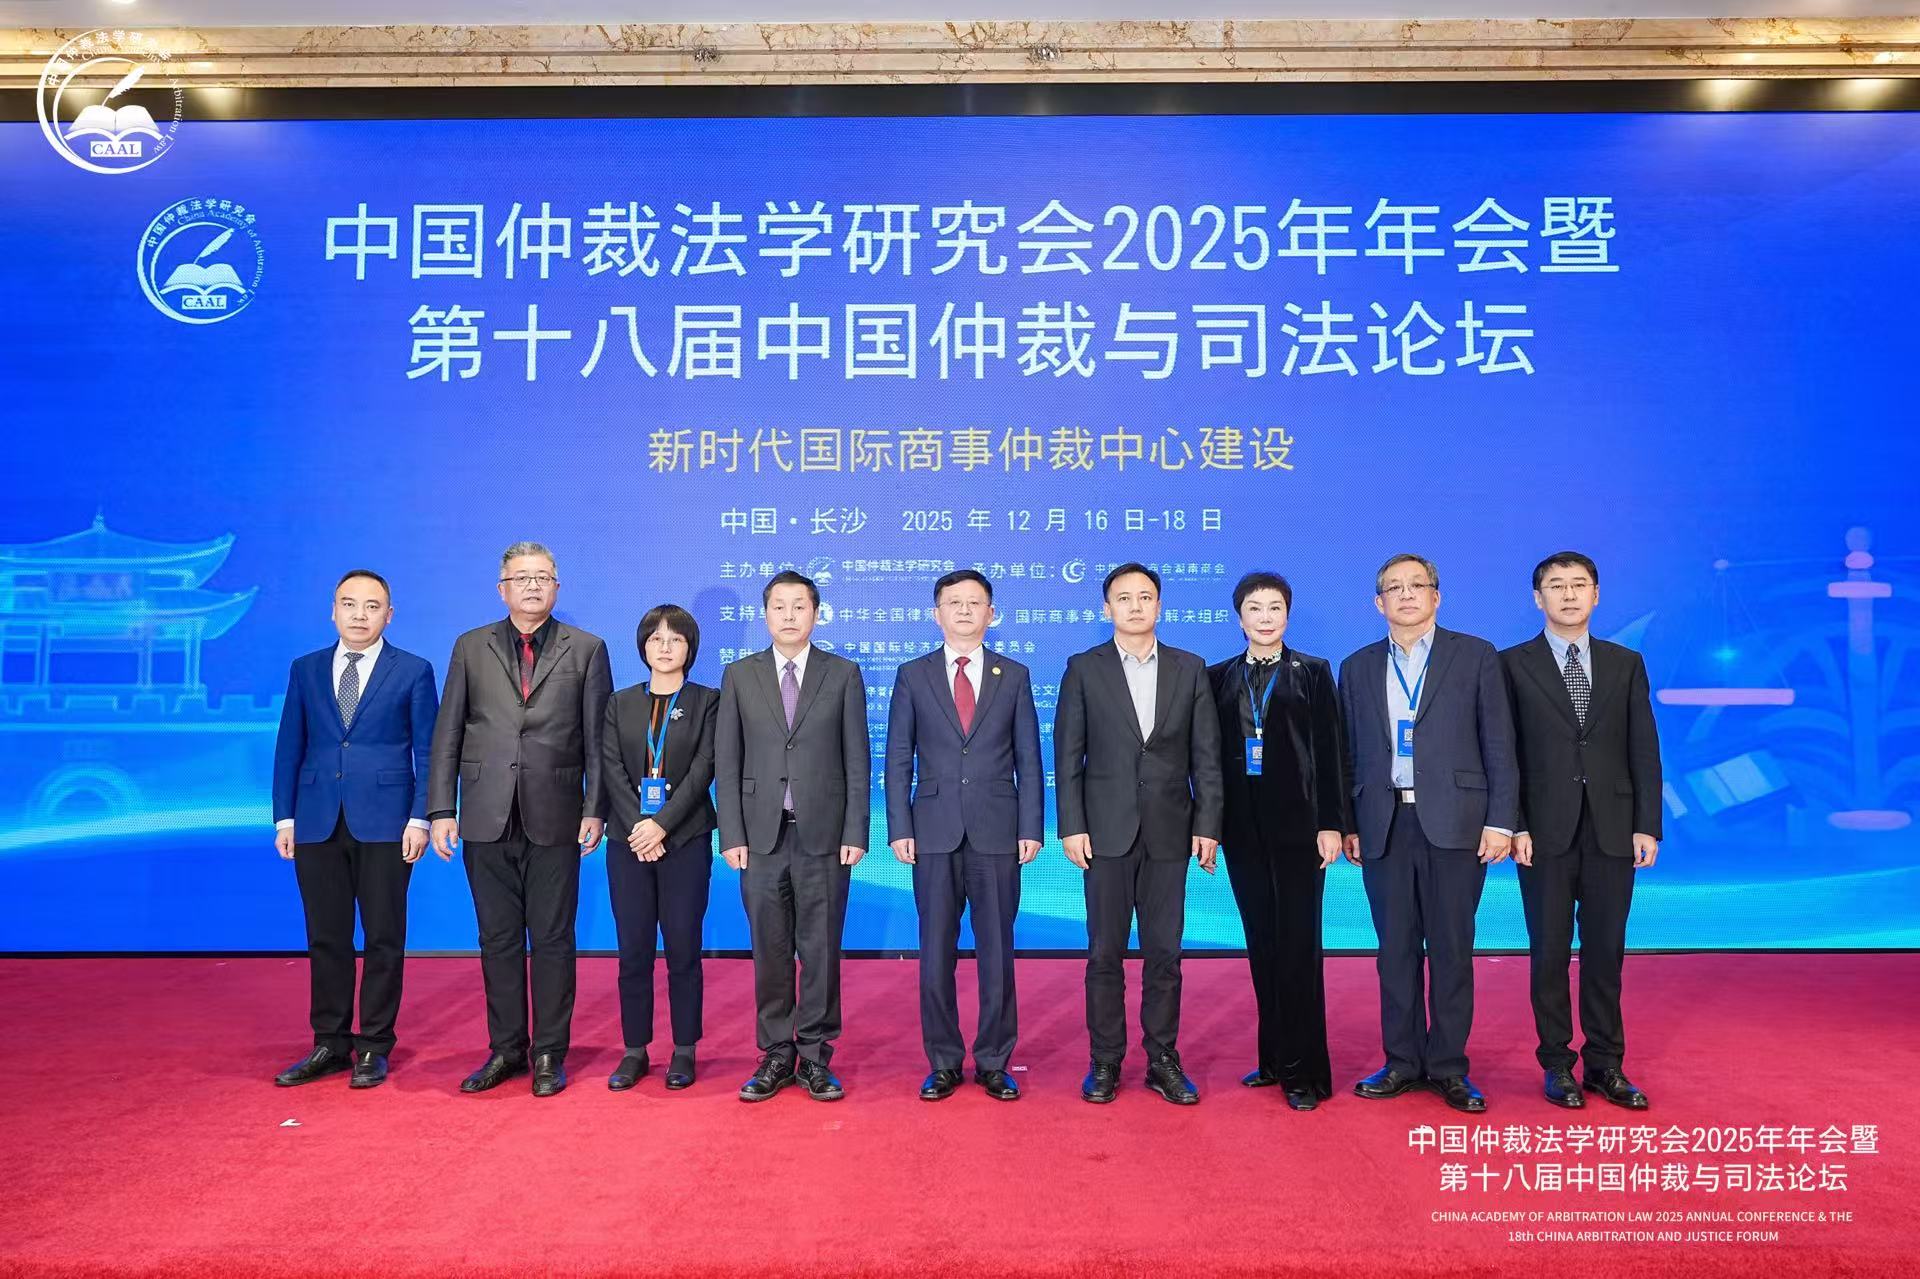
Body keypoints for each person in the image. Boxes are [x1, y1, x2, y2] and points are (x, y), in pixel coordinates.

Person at [427, 542, 612, 1098]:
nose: (533, 586)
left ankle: (550, 1051)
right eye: (522, 577)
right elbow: (448, 732)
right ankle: (506, 1049)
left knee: (553, 938)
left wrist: (595, 808)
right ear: (501, 588)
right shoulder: (470, 646)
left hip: (557, 814)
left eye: (543, 577)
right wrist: (441, 808)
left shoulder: (587, 649)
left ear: (557, 587)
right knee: (497, 938)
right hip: (485, 814)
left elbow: (599, 740)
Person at [1340, 553, 1518, 1114]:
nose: (1406, 595)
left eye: (1417, 585)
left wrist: (1501, 821)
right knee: (1394, 951)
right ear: (1378, 603)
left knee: (1451, 949)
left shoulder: (1476, 655)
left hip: (1458, 824)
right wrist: (1349, 823)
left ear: (1436, 596)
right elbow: (1348, 752)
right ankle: (1401, 1061)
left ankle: (1448, 1067)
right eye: (1394, 587)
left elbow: (1499, 743)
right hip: (1385, 824)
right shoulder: (1357, 666)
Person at [1055, 562, 1224, 1105]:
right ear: (1107, 608)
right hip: (1104, 833)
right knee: (1104, 952)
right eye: (1124, 598)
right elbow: (1068, 756)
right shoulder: (1084, 668)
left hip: (1171, 832)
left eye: (1145, 596)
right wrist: (1072, 825)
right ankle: (1105, 1060)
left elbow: (1207, 758)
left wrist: (1208, 825)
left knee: (1165, 953)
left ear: (1159, 605)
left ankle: (1162, 1058)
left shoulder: (1189, 668)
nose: (1134, 606)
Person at [1501, 552, 1661, 1111]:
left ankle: (1606, 1064)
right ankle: (1556, 1063)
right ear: (1537, 598)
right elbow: (1505, 753)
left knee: (1605, 952)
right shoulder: (1511, 664)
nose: (1568, 595)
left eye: (1578, 585)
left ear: (1596, 594)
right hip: (1542, 834)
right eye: (1556, 586)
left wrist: (1647, 825)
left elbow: (1644, 748)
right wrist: (1515, 824)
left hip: (1613, 830)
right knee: (1548, 952)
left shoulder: (1625, 663)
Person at [270, 569, 438, 1089]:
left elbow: (429, 751)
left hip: (388, 823)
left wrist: (421, 817)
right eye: (349, 604)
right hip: (317, 820)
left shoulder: (413, 670)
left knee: (384, 937)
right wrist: (285, 816)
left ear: (389, 615)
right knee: (326, 937)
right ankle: (329, 1042)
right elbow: (289, 746)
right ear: (333, 611)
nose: (359, 615)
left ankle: (375, 1045)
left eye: (371, 606)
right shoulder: (306, 669)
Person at [885, 569, 1043, 1102]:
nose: (965, 611)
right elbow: (898, 758)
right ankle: (944, 1061)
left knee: (997, 952)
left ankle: (995, 1060)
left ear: (991, 614)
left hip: (998, 830)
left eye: (975, 603)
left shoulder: (1013, 675)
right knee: (935, 954)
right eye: (954, 603)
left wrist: (1030, 826)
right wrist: (899, 827)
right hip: (932, 831)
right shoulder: (913, 675)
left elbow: (1029, 758)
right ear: (937, 614)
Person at [715, 571, 870, 1103]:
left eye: (799, 606)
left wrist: (856, 830)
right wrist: (730, 833)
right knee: (770, 948)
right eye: (778, 606)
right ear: (765, 616)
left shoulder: (842, 674)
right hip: (759, 837)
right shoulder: (740, 675)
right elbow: (727, 760)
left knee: (821, 949)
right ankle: (776, 1053)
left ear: (816, 614)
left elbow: (857, 760)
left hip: (823, 835)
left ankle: (816, 1057)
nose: (788, 615)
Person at [1206, 571, 1345, 1112]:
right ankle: (1273, 1059)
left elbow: (1331, 751)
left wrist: (1331, 823)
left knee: (1298, 947)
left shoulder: (1313, 671)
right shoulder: (1218, 677)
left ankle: (1305, 1072)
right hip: (1242, 830)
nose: (1265, 618)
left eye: (1275, 608)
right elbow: (1207, 761)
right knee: (1262, 944)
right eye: (1255, 608)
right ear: (1239, 617)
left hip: (1301, 830)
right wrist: (1209, 828)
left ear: (1288, 614)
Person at [600, 605, 719, 1092]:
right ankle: (635, 1048)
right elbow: (611, 769)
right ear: (643, 646)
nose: (665, 647)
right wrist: (640, 826)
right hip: (627, 842)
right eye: (655, 638)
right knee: (633, 950)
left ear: (690, 648)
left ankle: (684, 1047)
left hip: (685, 839)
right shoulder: (619, 703)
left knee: (683, 948)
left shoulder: (708, 701)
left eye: (675, 639)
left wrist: (662, 826)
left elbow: (703, 769)